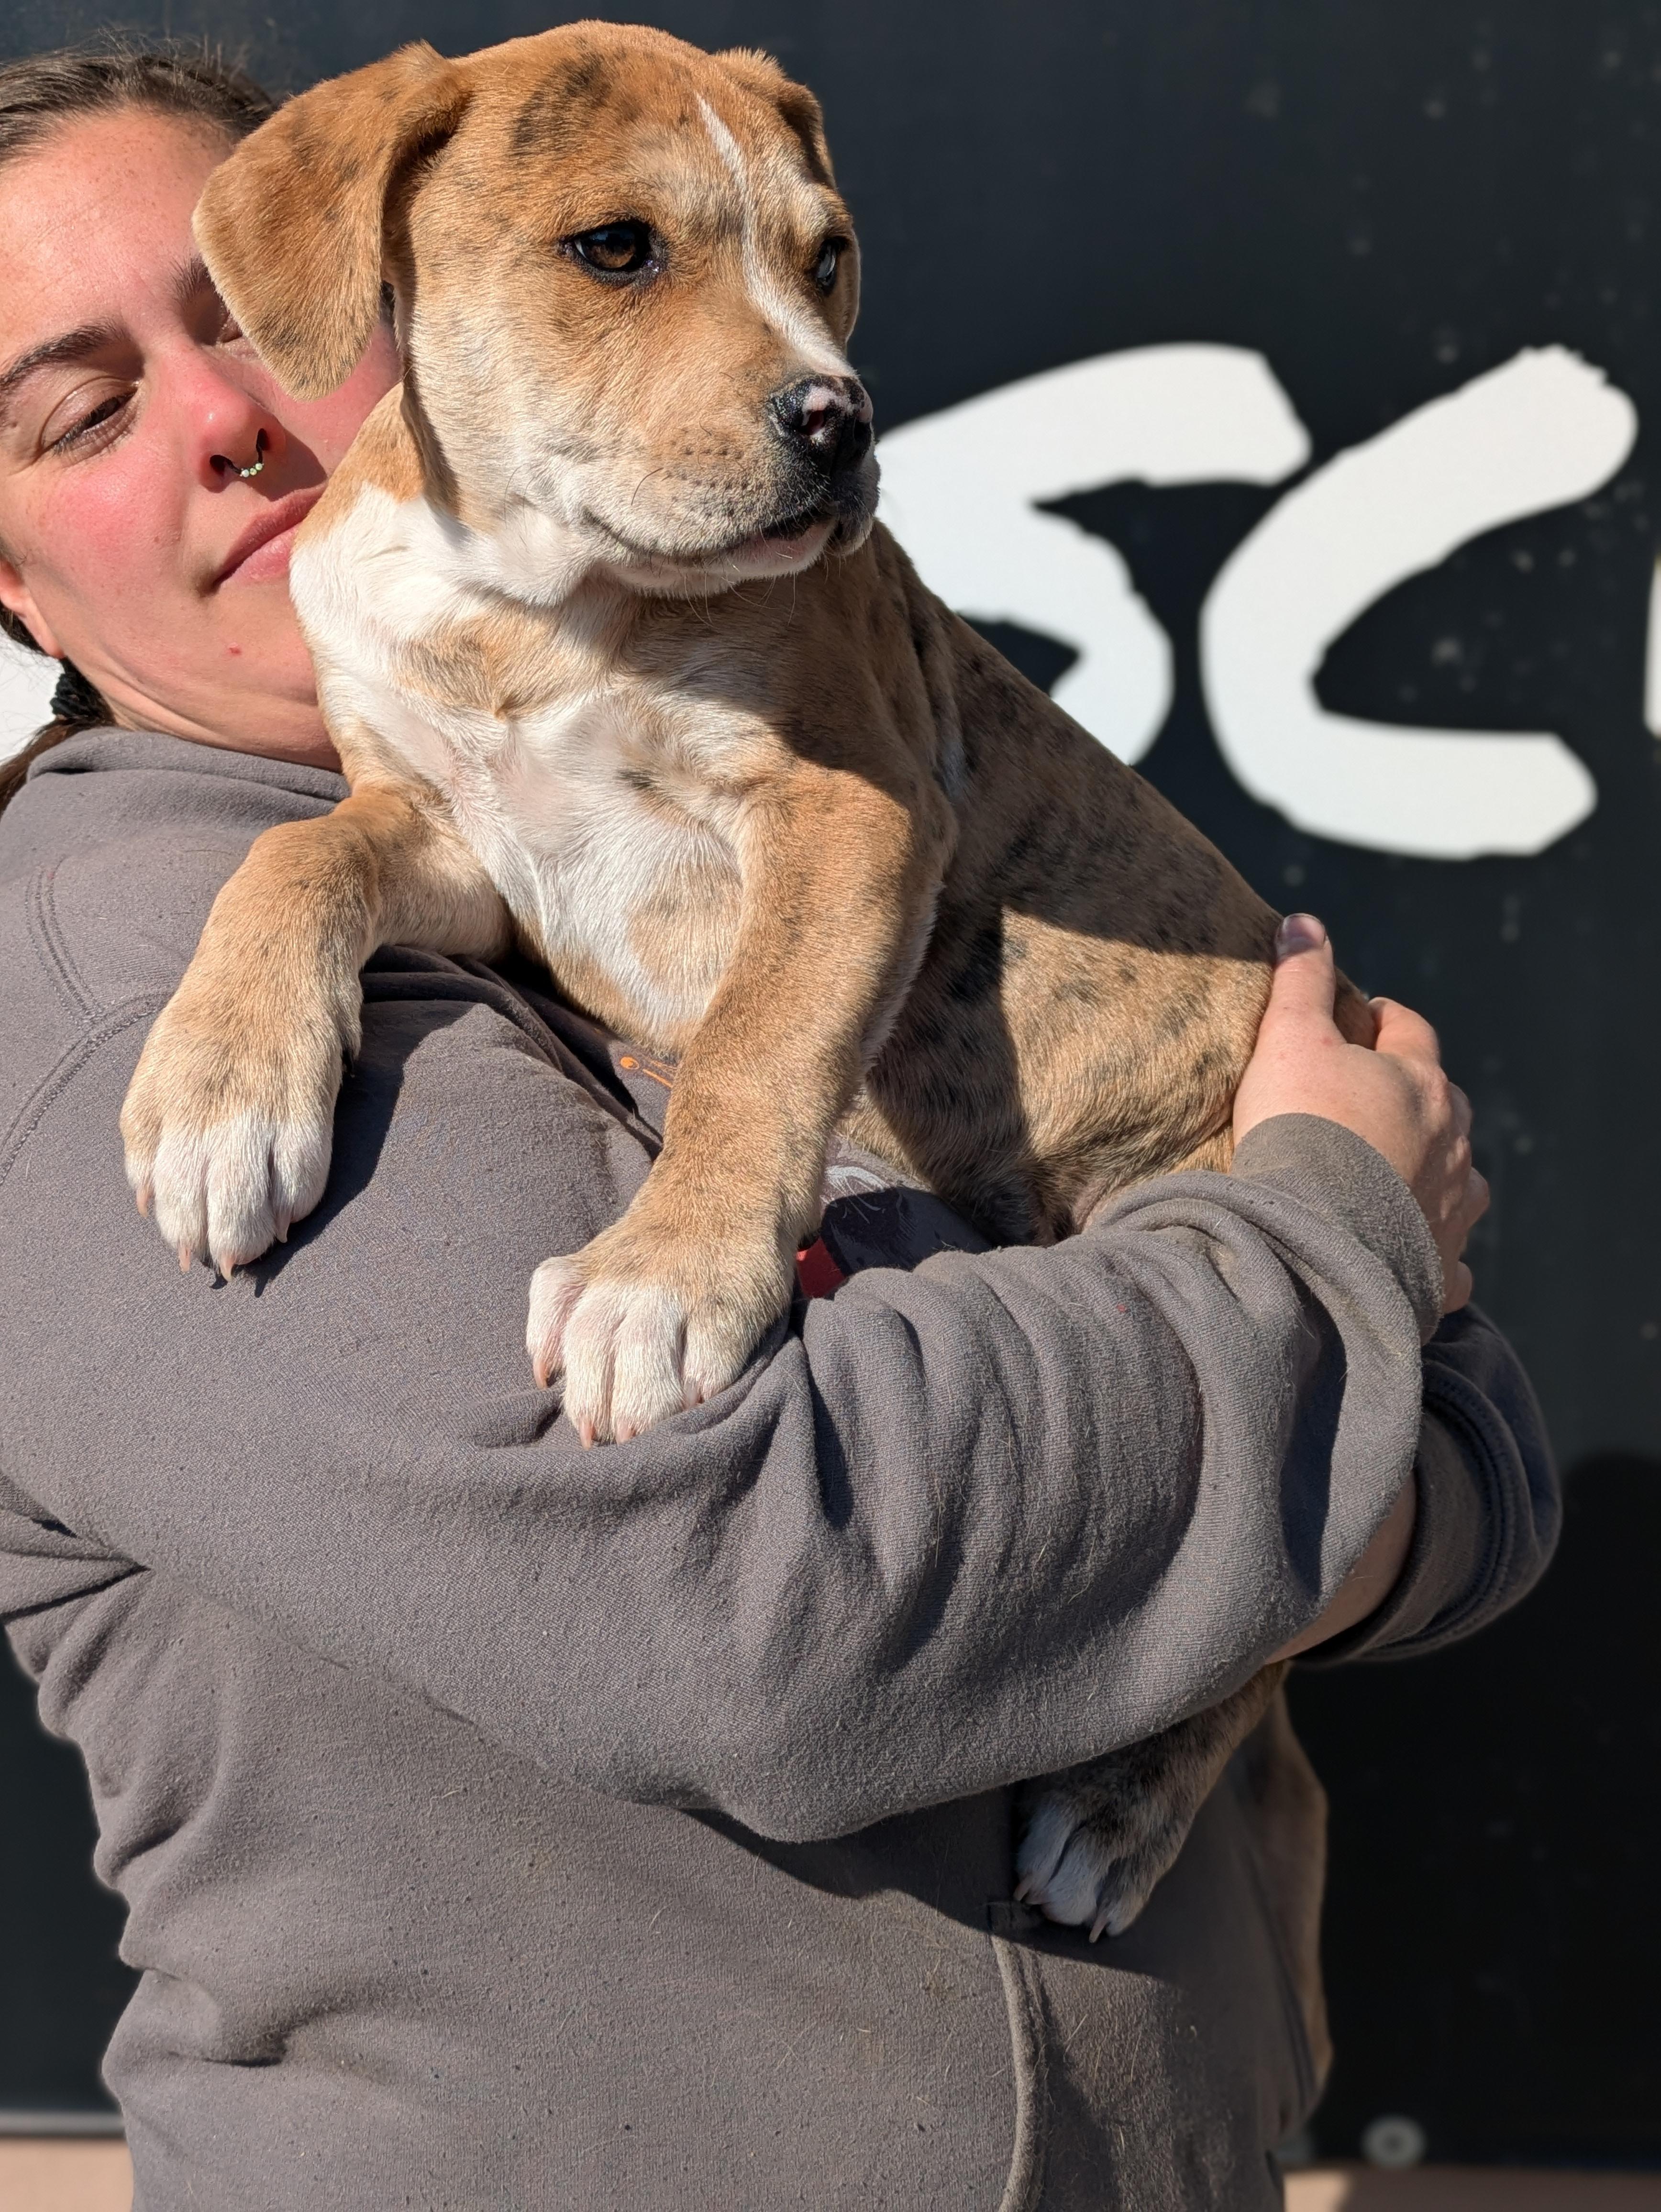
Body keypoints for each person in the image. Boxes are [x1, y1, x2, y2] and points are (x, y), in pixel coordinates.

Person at [0, 43, 1554, 2212]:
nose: (247, 408)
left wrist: (1343, 1386)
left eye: (811, 276)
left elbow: (1473, 1487)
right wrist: (1319, 1292)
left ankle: (1192, 1731)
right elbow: (760, 1602)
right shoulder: (87, 995)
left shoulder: (646, 613)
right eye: (77, 409)